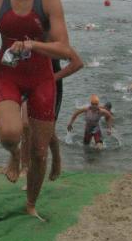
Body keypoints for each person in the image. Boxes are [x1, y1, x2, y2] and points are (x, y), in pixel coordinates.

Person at [0, 0, 72, 220]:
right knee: (9, 134)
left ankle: (31, 204)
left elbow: (64, 48)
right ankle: (13, 154)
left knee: (40, 152)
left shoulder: (49, 0)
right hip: (8, 75)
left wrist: (33, 45)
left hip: (41, 78)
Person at [20, 47, 84, 184]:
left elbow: (77, 63)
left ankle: (56, 158)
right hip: (28, 84)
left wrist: (51, 79)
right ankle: (25, 166)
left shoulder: (53, 40)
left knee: (47, 132)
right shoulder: (25, 38)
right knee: (25, 125)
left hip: (51, 87)